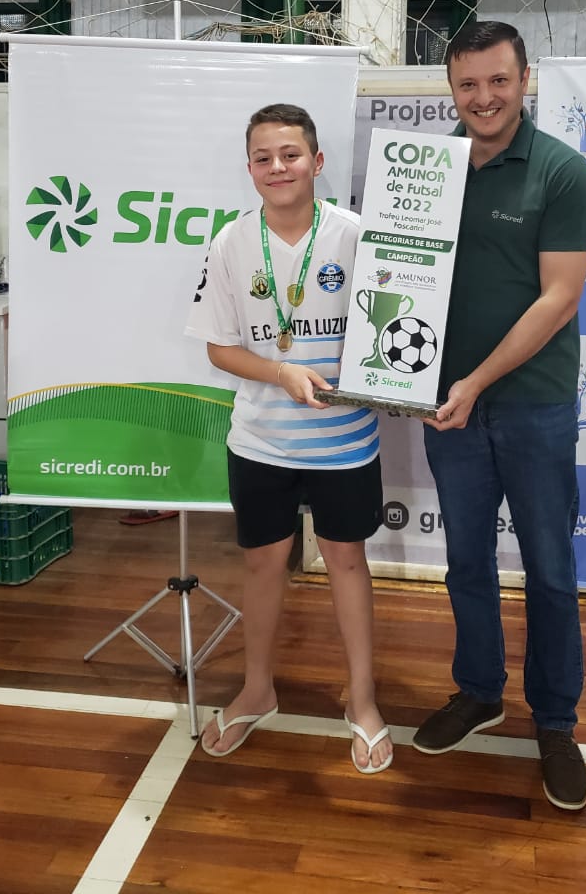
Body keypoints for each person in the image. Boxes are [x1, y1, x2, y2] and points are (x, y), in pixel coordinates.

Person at [412, 21, 586, 811]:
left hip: (533, 407)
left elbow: (560, 298)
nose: (483, 97)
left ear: (525, 80)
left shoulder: (560, 171)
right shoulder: (426, 169)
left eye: (498, 80)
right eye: (468, 84)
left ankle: (555, 723)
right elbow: (400, 270)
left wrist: (477, 381)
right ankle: (480, 692)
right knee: (466, 563)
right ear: (450, 89)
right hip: (447, 407)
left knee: (550, 571)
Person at [186, 102, 393, 774]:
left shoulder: (356, 236)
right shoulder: (230, 243)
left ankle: (363, 699)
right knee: (263, 566)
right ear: (249, 168)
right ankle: (257, 690)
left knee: (347, 564)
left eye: (291, 154)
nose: (278, 167)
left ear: (316, 162)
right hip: (261, 442)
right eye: (263, 157)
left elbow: (395, 326)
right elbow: (219, 348)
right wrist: (280, 372)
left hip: (344, 441)